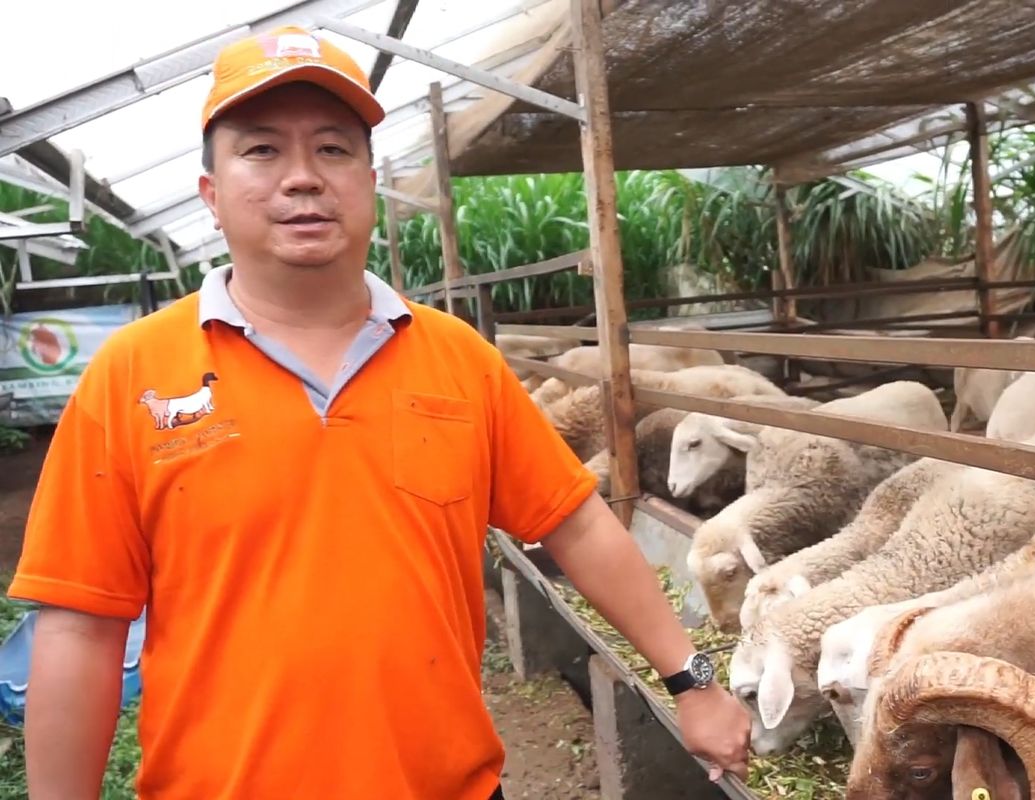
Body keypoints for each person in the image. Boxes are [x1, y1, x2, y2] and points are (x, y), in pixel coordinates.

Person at [10, 25, 751, 800]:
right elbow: (78, 625)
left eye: (333, 149)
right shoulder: (131, 375)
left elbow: (580, 523)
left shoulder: (457, 360)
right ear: (212, 193)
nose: (303, 177)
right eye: (261, 150)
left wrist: (691, 680)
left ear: (368, 178)